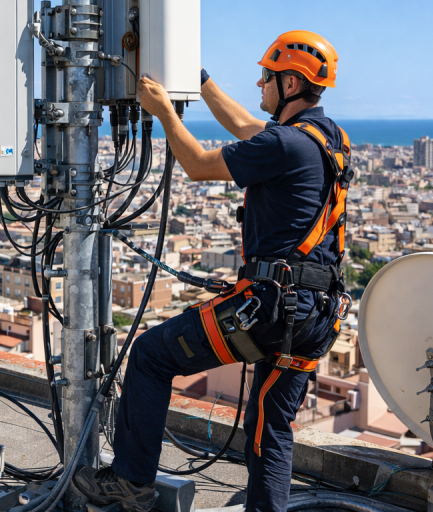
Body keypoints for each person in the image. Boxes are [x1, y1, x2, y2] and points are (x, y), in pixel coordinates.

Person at [74, 30, 353, 512]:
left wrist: (163, 112)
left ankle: (130, 483)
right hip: (316, 314)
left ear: (289, 84)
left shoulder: (286, 144)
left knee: (150, 357)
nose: (259, 84)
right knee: (270, 425)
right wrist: (198, 81)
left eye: (267, 76)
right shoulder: (326, 139)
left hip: (269, 309)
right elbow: (247, 125)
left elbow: (200, 165)